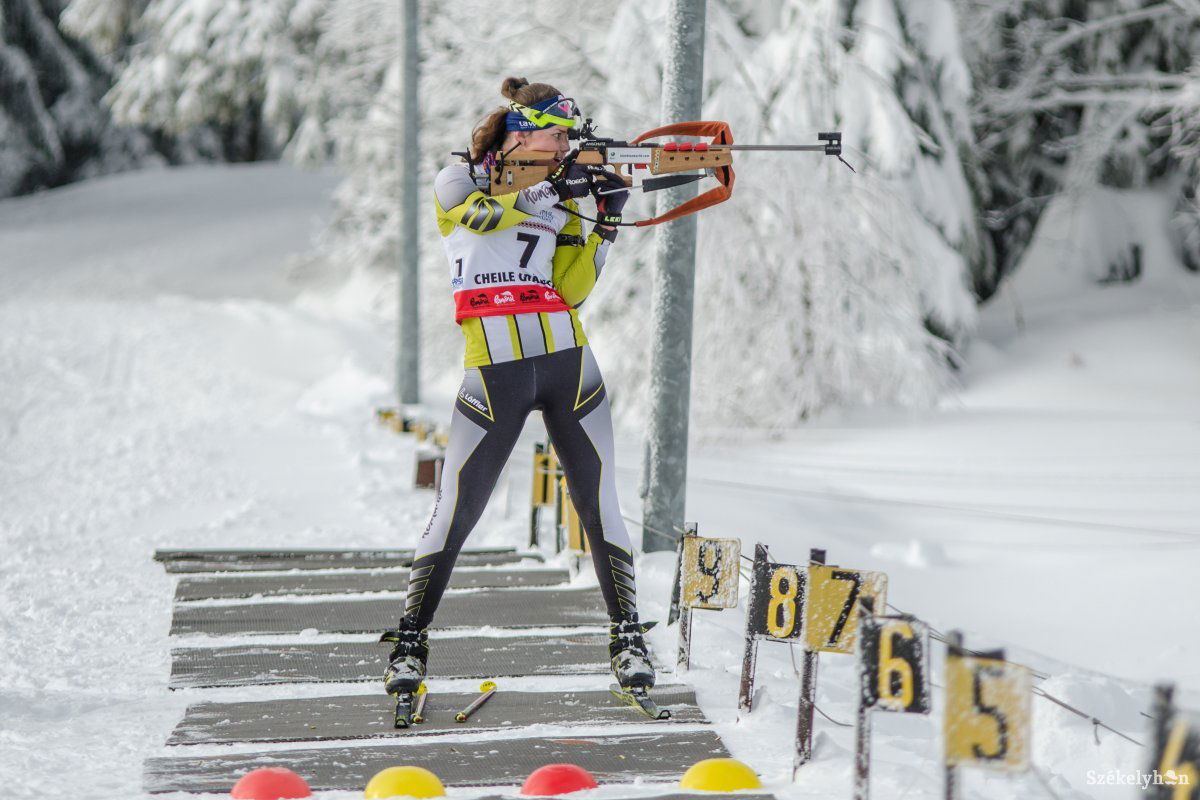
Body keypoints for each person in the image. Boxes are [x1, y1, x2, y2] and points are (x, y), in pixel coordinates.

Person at [380, 77, 654, 699]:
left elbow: (573, 289)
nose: (564, 147)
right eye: (556, 135)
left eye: (566, 140)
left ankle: (628, 637)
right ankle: (409, 645)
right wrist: (552, 188)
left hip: (568, 360)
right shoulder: (460, 179)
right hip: (493, 368)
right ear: (521, 131)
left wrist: (602, 222)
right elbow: (479, 220)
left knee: (599, 501)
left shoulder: (557, 195)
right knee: (456, 507)